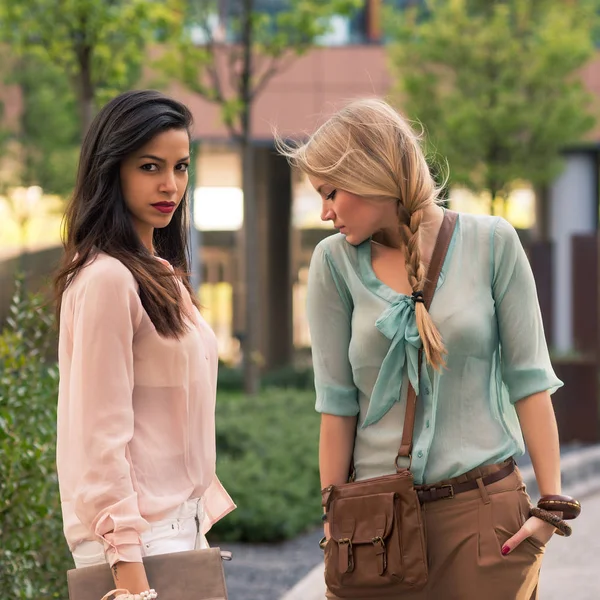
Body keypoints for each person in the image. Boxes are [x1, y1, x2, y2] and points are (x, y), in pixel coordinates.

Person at [277, 98, 581, 599]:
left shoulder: (493, 243)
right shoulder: (333, 263)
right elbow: (336, 404)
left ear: (370, 171)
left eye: (330, 192)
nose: (325, 212)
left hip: (487, 520)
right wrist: (335, 525)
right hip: (377, 528)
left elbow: (530, 381)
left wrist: (551, 506)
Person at [54, 90, 235, 597]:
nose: (170, 185)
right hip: (137, 545)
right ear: (112, 168)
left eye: (181, 167)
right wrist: (130, 578)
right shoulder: (105, 279)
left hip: (179, 529)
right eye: (150, 166)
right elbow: (99, 437)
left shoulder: (160, 274)